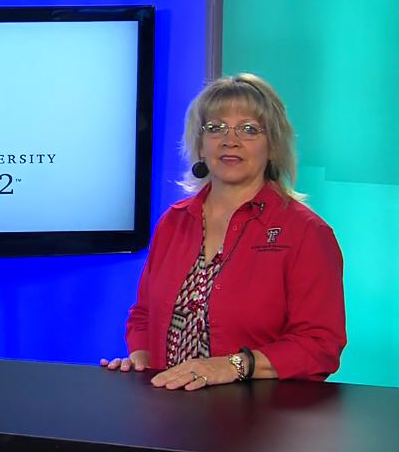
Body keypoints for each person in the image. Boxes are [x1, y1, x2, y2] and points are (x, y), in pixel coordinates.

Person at [101, 73, 346, 390]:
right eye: (215, 128)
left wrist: (234, 365)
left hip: (259, 422)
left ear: (272, 146)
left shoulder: (306, 233)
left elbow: (319, 344)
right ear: (200, 145)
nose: (231, 140)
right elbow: (144, 315)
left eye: (249, 129)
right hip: (168, 421)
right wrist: (142, 362)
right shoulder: (173, 222)